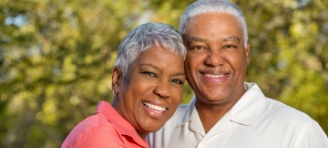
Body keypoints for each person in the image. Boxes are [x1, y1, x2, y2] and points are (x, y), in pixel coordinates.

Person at [147, 0, 328, 148]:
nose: (214, 60)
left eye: (228, 46)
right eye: (199, 47)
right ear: (183, 54)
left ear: (246, 53)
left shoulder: (297, 132)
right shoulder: (158, 128)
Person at [62, 22, 187, 148]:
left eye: (176, 81)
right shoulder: (101, 137)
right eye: (150, 74)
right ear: (117, 79)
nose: (163, 91)